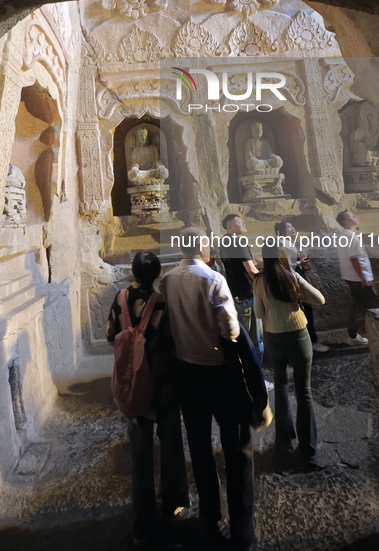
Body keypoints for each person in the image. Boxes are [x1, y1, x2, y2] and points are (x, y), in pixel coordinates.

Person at [159, 227, 257, 551]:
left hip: (187, 373)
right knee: (237, 448)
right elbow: (230, 328)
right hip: (219, 373)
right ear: (202, 247)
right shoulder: (213, 279)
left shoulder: (168, 279)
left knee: (199, 447)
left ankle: (210, 516)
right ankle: (243, 528)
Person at [106, 251, 189, 547]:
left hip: (133, 385)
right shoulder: (162, 301)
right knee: (170, 445)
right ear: (157, 273)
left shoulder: (121, 298)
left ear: (133, 272)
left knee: (139, 453)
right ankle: (173, 504)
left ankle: (143, 520)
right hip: (163, 384)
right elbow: (175, 339)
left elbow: (109, 335)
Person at [253, 244, 325, 471]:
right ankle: (308, 451)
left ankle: (284, 444)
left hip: (274, 337)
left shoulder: (259, 281)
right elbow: (320, 299)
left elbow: (258, 313)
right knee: (304, 392)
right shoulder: (291, 277)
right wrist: (299, 296)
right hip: (298, 335)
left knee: (282, 388)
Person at [220, 214, 274, 392]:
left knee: (243, 339)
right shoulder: (238, 242)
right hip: (247, 296)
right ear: (230, 228)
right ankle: (256, 381)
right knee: (255, 339)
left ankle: (244, 377)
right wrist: (266, 286)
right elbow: (251, 270)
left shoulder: (224, 243)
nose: (243, 223)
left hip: (236, 296)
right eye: (238, 222)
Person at [275, 221, 329, 353]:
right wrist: (299, 262)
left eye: (293, 227)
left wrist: (300, 260)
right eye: (289, 228)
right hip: (292, 278)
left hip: (295, 276)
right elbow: (285, 265)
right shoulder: (283, 243)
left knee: (305, 309)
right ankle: (310, 341)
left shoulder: (288, 242)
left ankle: (308, 340)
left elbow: (292, 262)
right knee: (305, 308)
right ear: (282, 231)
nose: (293, 229)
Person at [336, 210, 375, 346]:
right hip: (358, 278)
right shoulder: (351, 236)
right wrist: (364, 278)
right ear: (345, 221)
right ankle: (375, 334)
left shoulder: (344, 234)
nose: (354, 217)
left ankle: (353, 335)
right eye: (351, 216)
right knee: (371, 306)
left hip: (351, 277)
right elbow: (354, 259)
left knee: (357, 305)